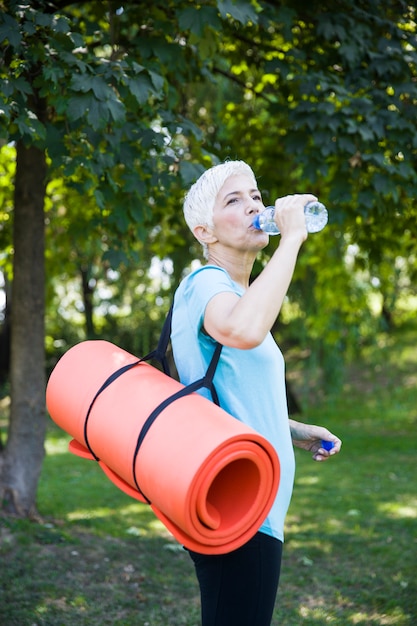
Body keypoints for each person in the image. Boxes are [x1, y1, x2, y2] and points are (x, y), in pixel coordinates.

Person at [170, 160, 342, 626]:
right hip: (240, 508)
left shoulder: (236, 294)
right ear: (204, 231)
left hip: (251, 506)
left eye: (256, 197)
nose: (253, 207)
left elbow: (228, 400)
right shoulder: (206, 282)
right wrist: (292, 239)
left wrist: (293, 430)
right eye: (234, 200)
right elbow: (242, 329)